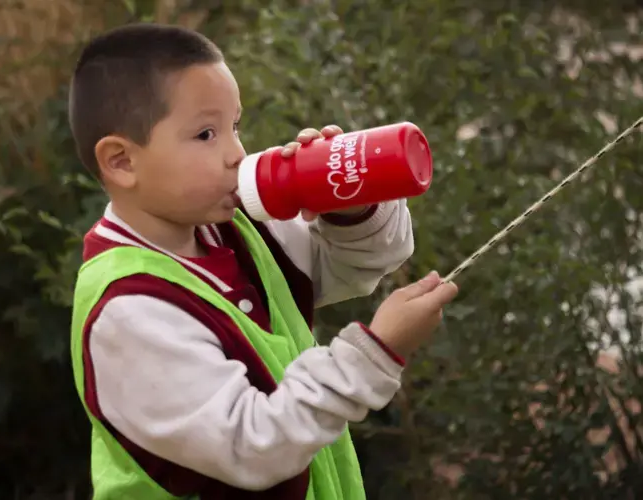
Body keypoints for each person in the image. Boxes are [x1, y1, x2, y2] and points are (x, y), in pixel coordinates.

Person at [68, 22, 458, 500]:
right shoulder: (128, 310)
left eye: (235, 126)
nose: (237, 153)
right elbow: (252, 446)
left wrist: (347, 199)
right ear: (122, 161)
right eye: (206, 133)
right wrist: (375, 354)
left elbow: (360, 266)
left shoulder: (239, 230)